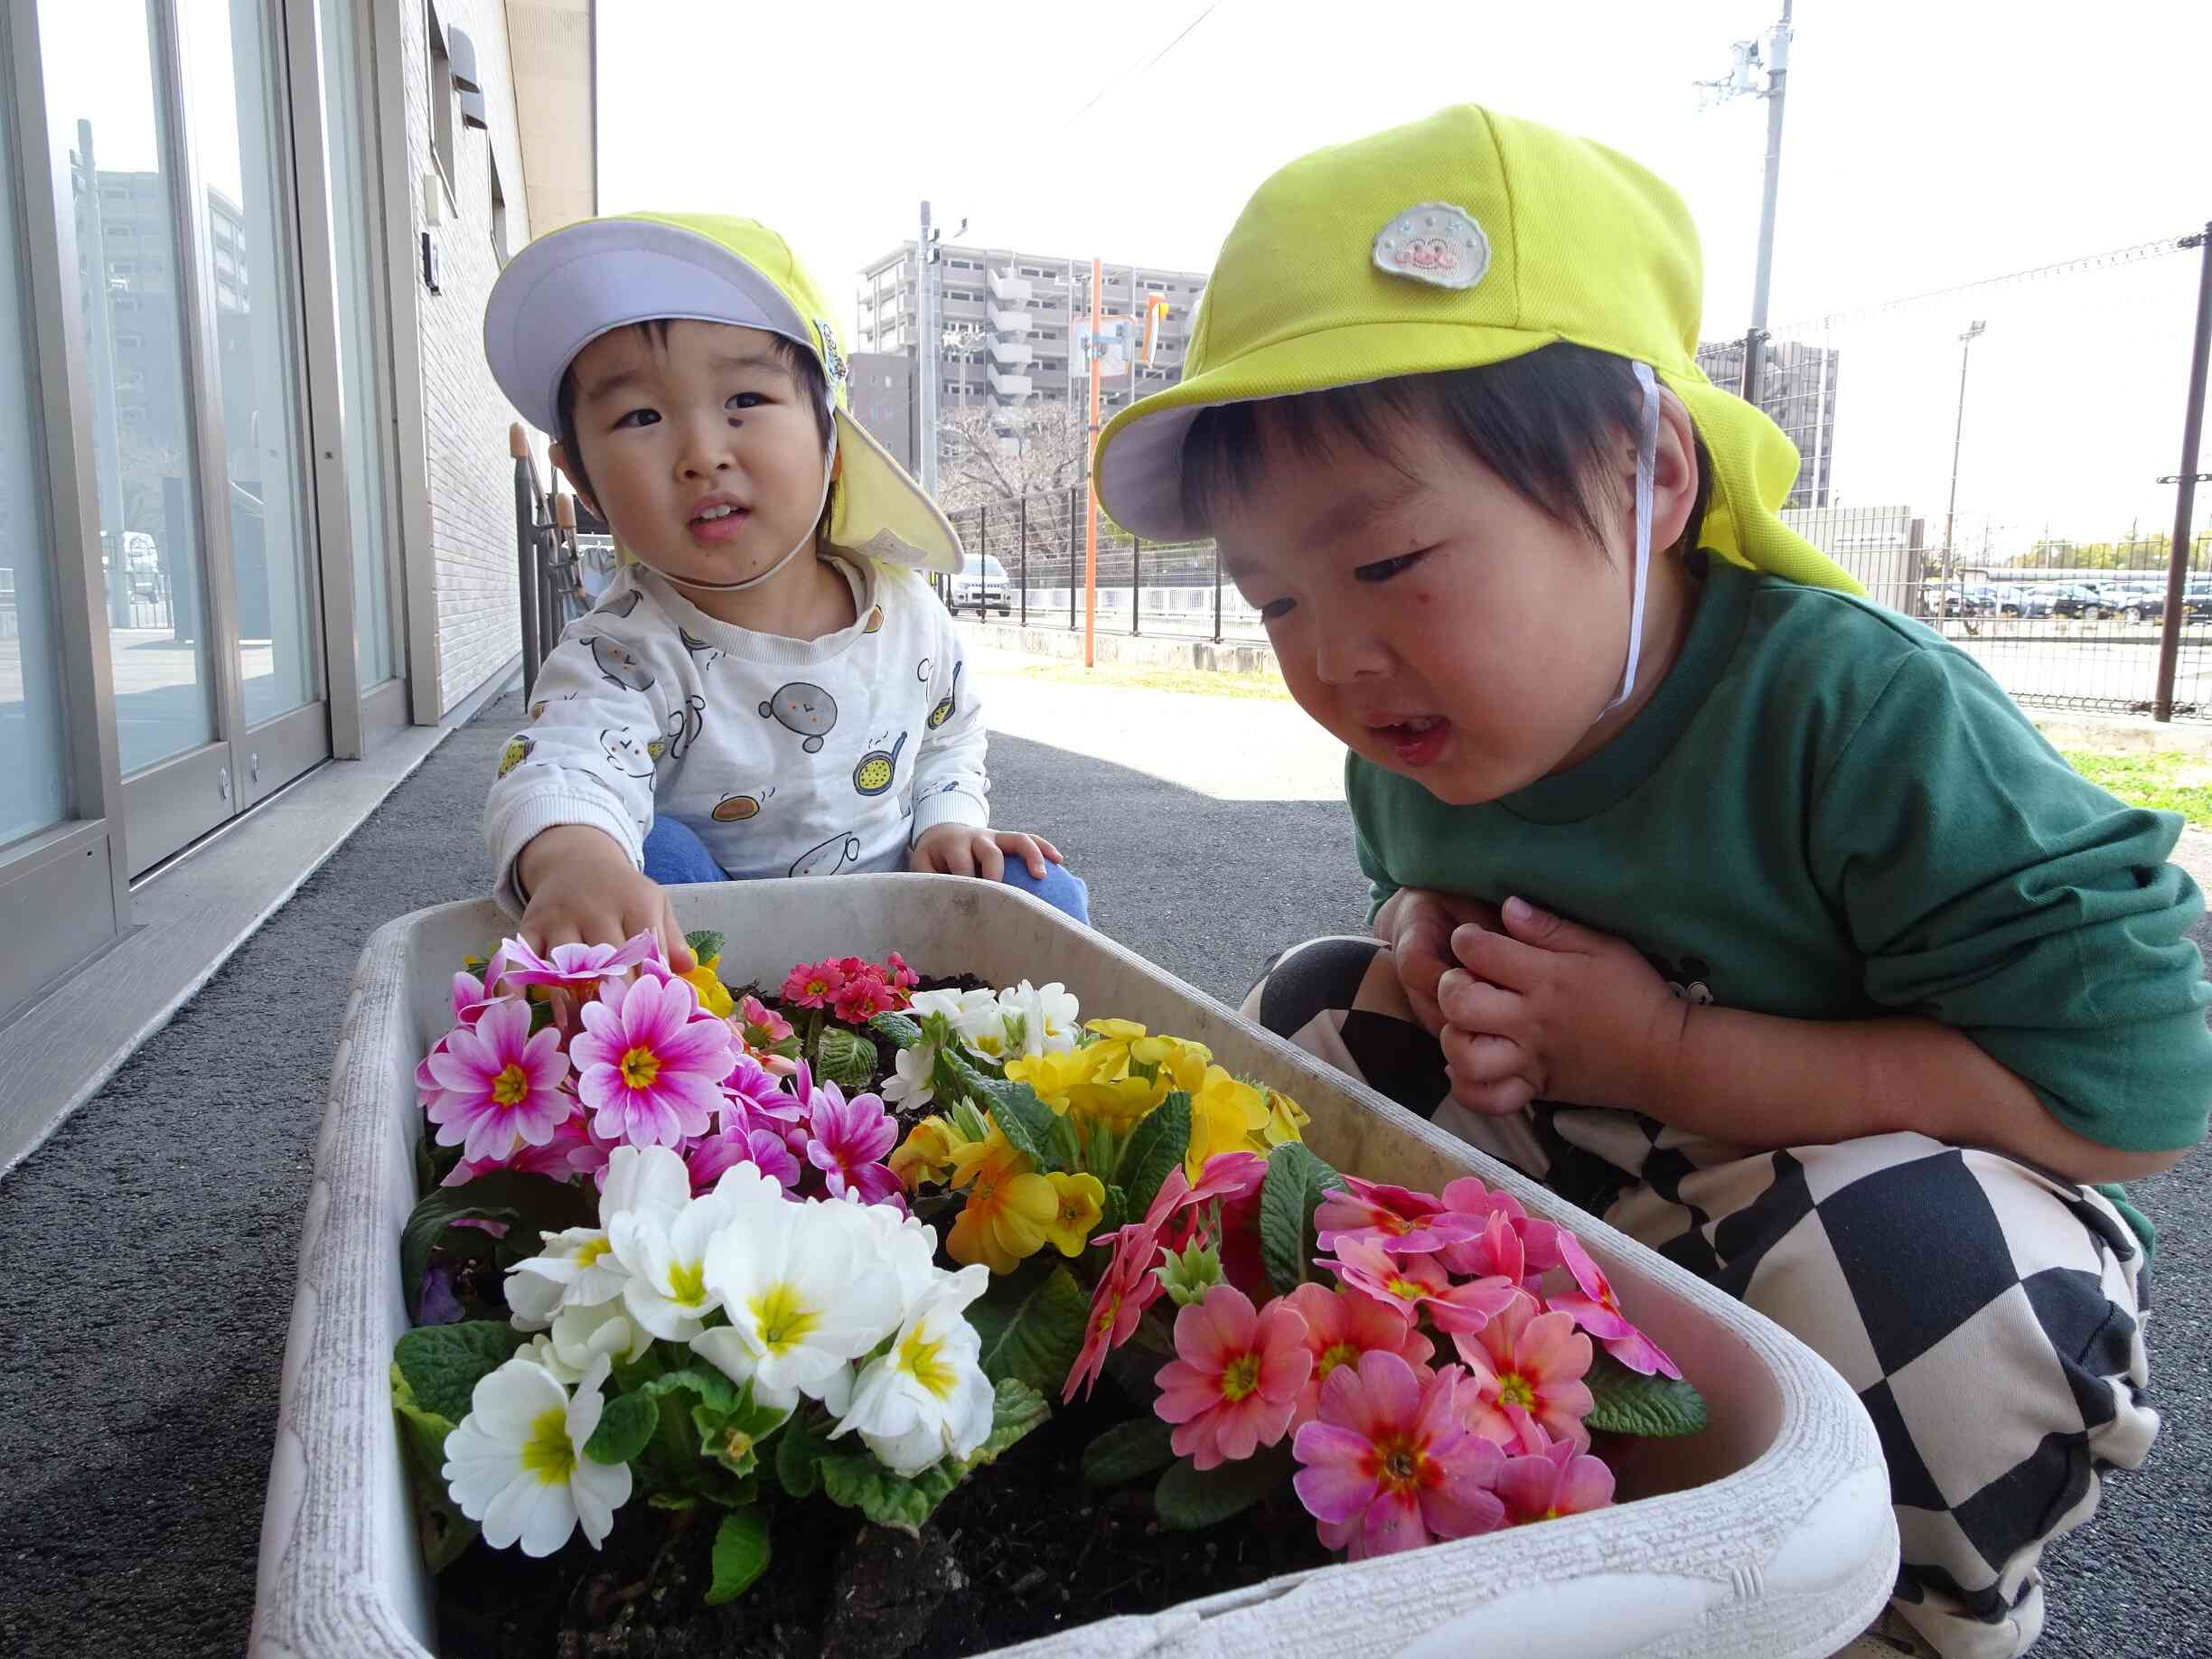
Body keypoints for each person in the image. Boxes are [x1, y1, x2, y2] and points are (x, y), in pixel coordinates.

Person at [1091, 106, 2207, 1659]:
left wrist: (1671, 1057)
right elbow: (1409, 895)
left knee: (1936, 1269)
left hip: (1830, 1217)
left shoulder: (1854, 715)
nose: (1332, 659)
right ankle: (1443, 1491)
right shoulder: (1410, 723)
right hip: (1590, 1180)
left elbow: (2134, 1093)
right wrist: (1425, 942)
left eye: (1389, 563)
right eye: (1271, 595)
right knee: (1309, 1022)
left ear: (1651, 478)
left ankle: (1886, 1617)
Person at [480, 213, 1087, 961]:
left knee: (1043, 891)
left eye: (745, 402)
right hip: (719, 954)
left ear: (833, 440)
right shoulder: (623, 649)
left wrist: (946, 822)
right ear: (584, 483)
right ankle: (728, 1065)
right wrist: (576, 856)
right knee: (648, 856)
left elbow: (948, 735)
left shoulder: (904, 607)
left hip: (896, 926)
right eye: (640, 416)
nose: (702, 454)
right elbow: (567, 758)